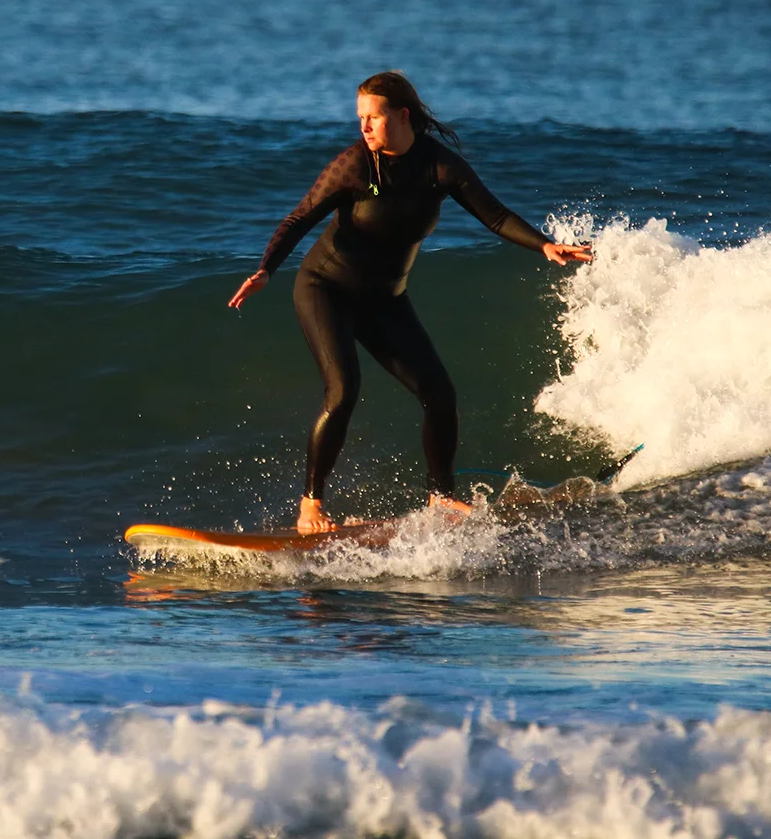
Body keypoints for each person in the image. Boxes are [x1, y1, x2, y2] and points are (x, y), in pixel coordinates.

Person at [228, 71, 592, 534]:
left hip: (384, 300)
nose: (363, 127)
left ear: (402, 116)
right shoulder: (355, 166)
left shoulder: (441, 168)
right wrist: (266, 268)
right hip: (326, 288)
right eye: (359, 117)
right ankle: (311, 507)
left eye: (372, 118)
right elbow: (300, 218)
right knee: (342, 391)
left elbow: (495, 215)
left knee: (440, 394)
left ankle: (441, 498)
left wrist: (543, 245)